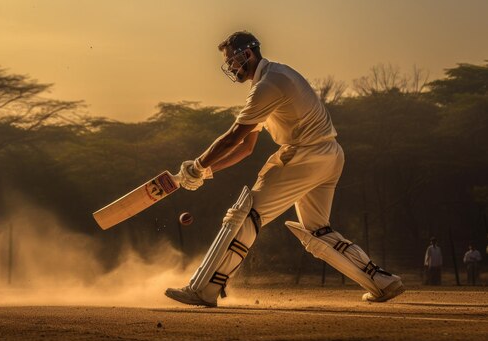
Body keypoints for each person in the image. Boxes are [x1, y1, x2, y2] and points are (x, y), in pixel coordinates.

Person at [165, 31, 404, 307]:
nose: (230, 66)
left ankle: (203, 289)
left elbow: (234, 137)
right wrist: (207, 172)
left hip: (304, 154)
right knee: (317, 231)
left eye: (232, 59)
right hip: (330, 155)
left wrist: (196, 165)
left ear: (248, 54)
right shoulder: (275, 78)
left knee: (246, 214)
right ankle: (382, 282)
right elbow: (246, 149)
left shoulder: (268, 86)